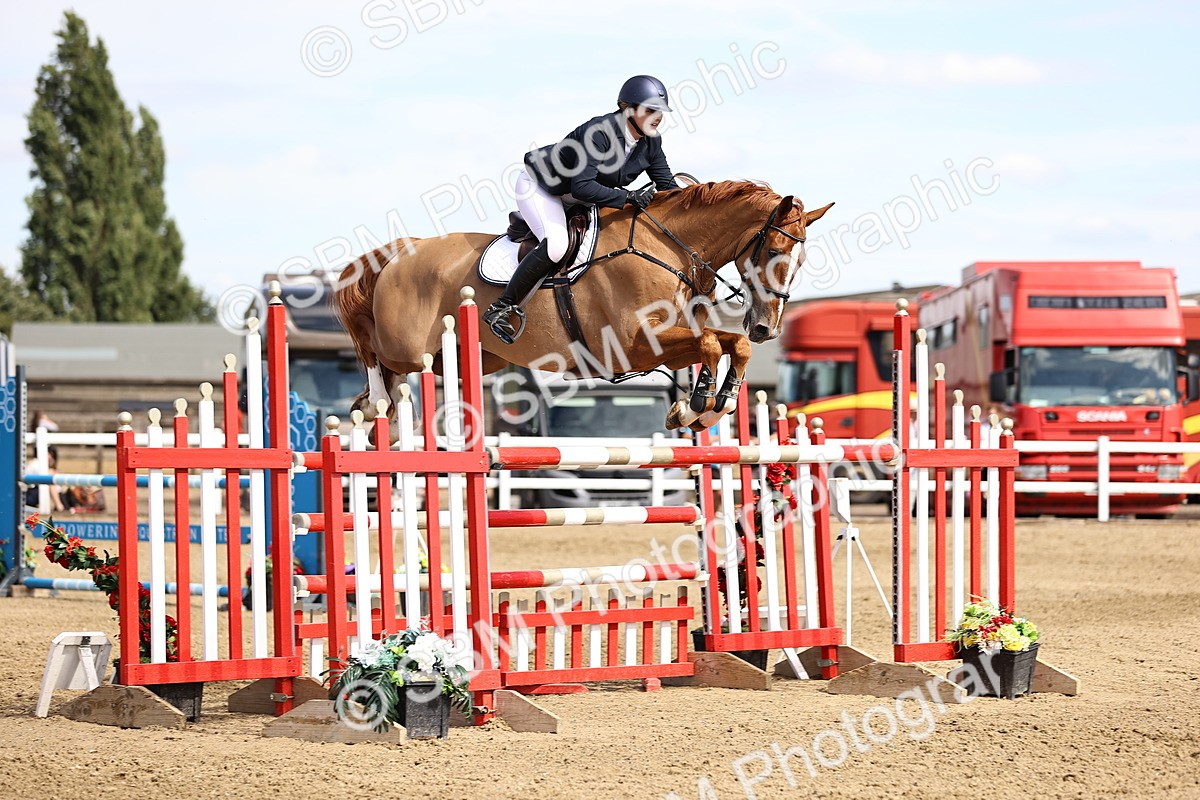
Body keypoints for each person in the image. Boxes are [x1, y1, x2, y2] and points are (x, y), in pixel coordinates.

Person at [482, 75, 682, 344]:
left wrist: (700, 199)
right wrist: (628, 197)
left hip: (581, 198)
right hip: (541, 187)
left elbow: (667, 185)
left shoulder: (650, 142)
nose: (657, 117)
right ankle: (501, 308)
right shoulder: (597, 133)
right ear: (628, 109)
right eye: (650, 110)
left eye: (660, 111)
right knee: (556, 245)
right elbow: (583, 187)